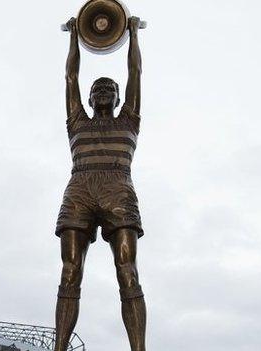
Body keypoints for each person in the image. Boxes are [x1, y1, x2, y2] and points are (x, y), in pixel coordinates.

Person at [53, 17, 146, 351]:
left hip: (118, 192)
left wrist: (133, 33)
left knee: (128, 271)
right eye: (97, 89)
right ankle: (59, 348)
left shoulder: (129, 120)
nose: (103, 91)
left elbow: (135, 73)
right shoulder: (76, 120)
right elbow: (71, 76)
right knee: (69, 272)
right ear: (90, 100)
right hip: (79, 192)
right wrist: (75, 35)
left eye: (110, 89)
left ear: (120, 99)